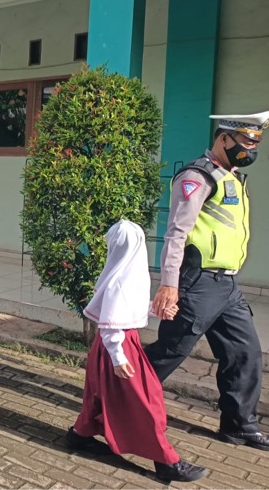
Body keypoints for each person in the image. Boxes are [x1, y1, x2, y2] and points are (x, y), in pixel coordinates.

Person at [146, 111, 268, 451]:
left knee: (245, 353)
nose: (252, 148)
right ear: (224, 138)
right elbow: (176, 233)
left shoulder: (232, 177)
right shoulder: (197, 177)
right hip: (197, 283)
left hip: (227, 286)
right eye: (246, 141)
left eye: (256, 142)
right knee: (170, 351)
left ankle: (238, 425)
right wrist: (169, 284)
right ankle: (112, 403)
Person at [66, 220, 208, 483]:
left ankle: (80, 435)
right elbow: (111, 325)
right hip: (118, 347)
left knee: (100, 394)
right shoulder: (120, 280)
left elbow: (129, 311)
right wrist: (118, 358)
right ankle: (166, 461)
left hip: (112, 347)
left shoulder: (126, 274)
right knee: (146, 400)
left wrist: (157, 310)